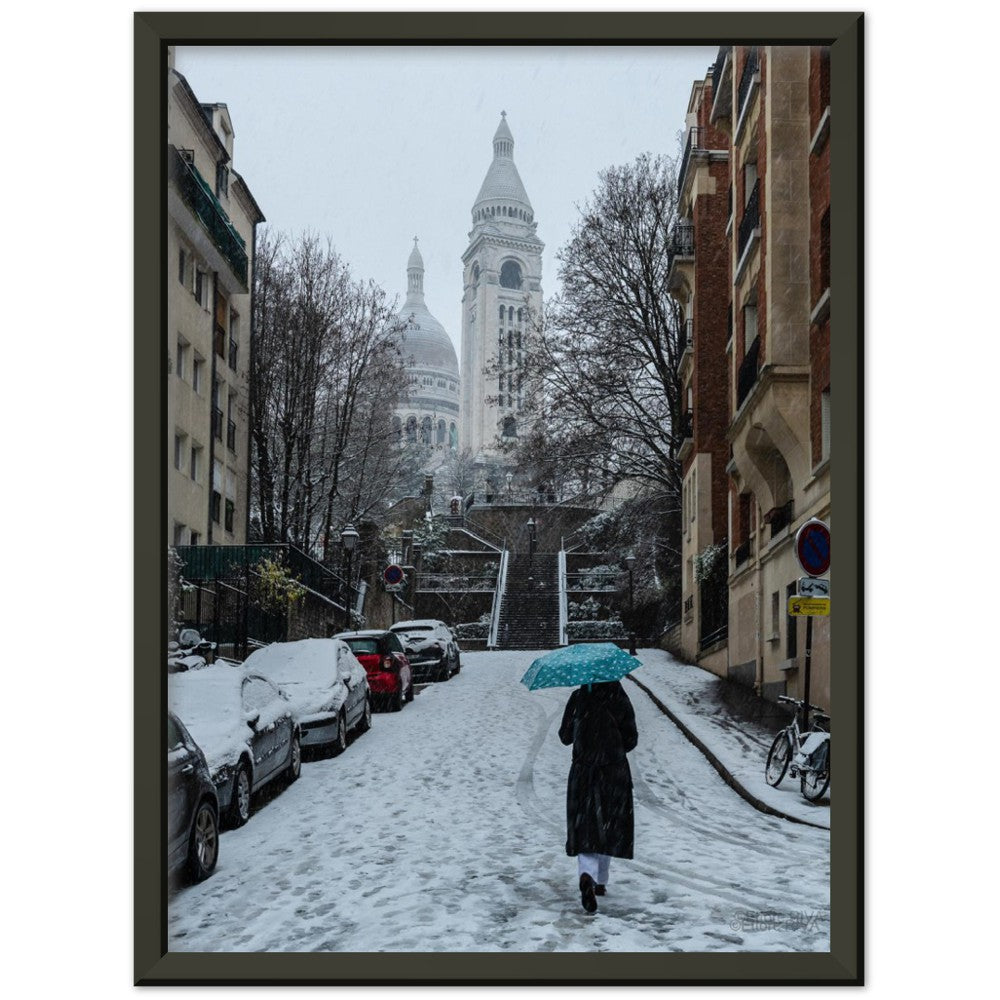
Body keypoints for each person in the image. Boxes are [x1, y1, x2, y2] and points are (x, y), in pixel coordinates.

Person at [558, 679, 638, 913]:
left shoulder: (578, 697)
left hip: (583, 772)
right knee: (609, 826)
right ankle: (601, 881)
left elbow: (564, 736)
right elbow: (631, 738)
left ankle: (587, 874)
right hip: (613, 771)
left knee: (586, 826)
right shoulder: (619, 697)